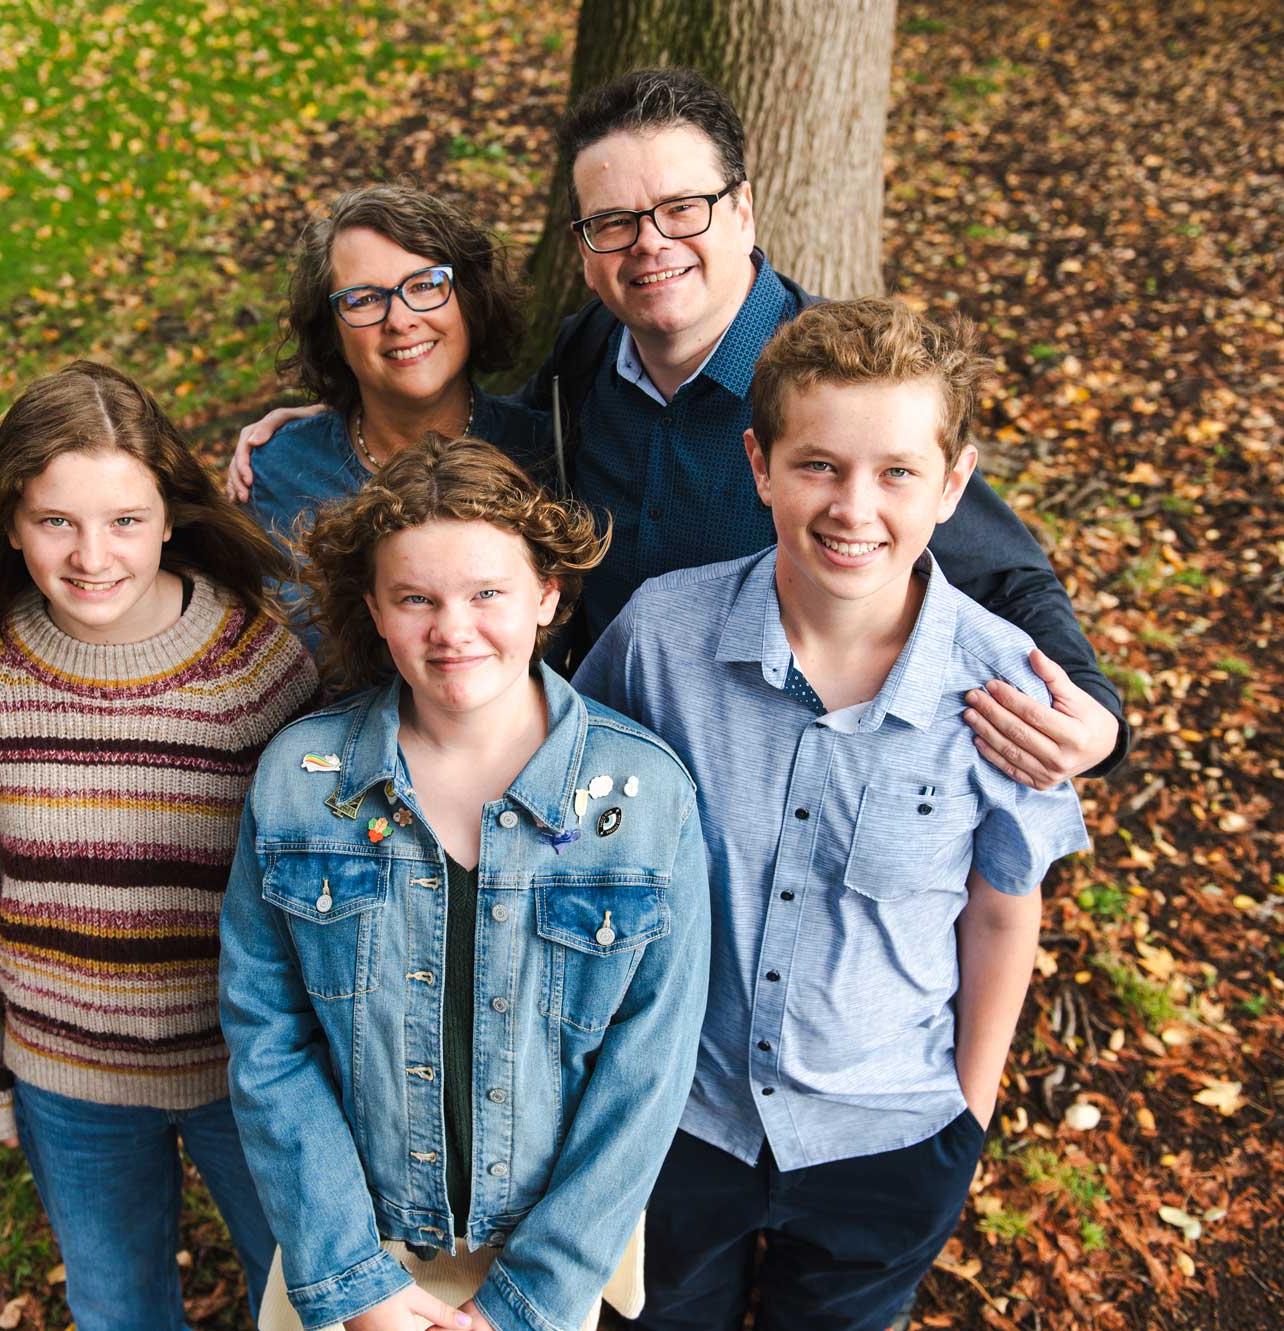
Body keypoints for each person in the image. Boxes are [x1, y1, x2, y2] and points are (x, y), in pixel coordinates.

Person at [225, 68, 1127, 788]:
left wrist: (1093, 711)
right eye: (614, 222)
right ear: (583, 249)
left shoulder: (833, 391)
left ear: (741, 210)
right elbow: (466, 441)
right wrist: (334, 408)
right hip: (594, 791)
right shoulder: (582, 366)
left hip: (780, 788)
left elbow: (999, 568)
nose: (650, 244)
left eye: (681, 209)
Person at [573, 298, 1091, 1331]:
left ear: (951, 484)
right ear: (757, 465)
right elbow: (575, 848)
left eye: (896, 471)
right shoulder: (656, 642)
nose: (854, 506)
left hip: (890, 1138)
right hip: (676, 1121)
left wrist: (968, 1110)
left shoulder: (1001, 685)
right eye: (818, 464)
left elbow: (1000, 905)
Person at [217, 436, 710, 1331]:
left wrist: (525, 1302)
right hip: (352, 1250)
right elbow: (266, 1036)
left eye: (488, 593)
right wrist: (356, 1283)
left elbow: (651, 1070)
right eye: (416, 597)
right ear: (373, 607)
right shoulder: (302, 780)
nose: (453, 628)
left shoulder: (646, 799)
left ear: (547, 596)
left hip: (552, 1263)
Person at [0, 361, 317, 1331]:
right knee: (117, 1305)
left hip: (247, 1069)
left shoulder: (258, 669)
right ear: (11, 524)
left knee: (304, 1296)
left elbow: (316, 889)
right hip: (68, 1076)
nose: (92, 553)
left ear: (171, 516)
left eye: (124, 520)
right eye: (57, 520)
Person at [244, 185, 550, 647]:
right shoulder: (277, 474)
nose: (400, 319)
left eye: (425, 285)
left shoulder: (545, 452)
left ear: (469, 297)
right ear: (332, 333)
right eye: (363, 299)